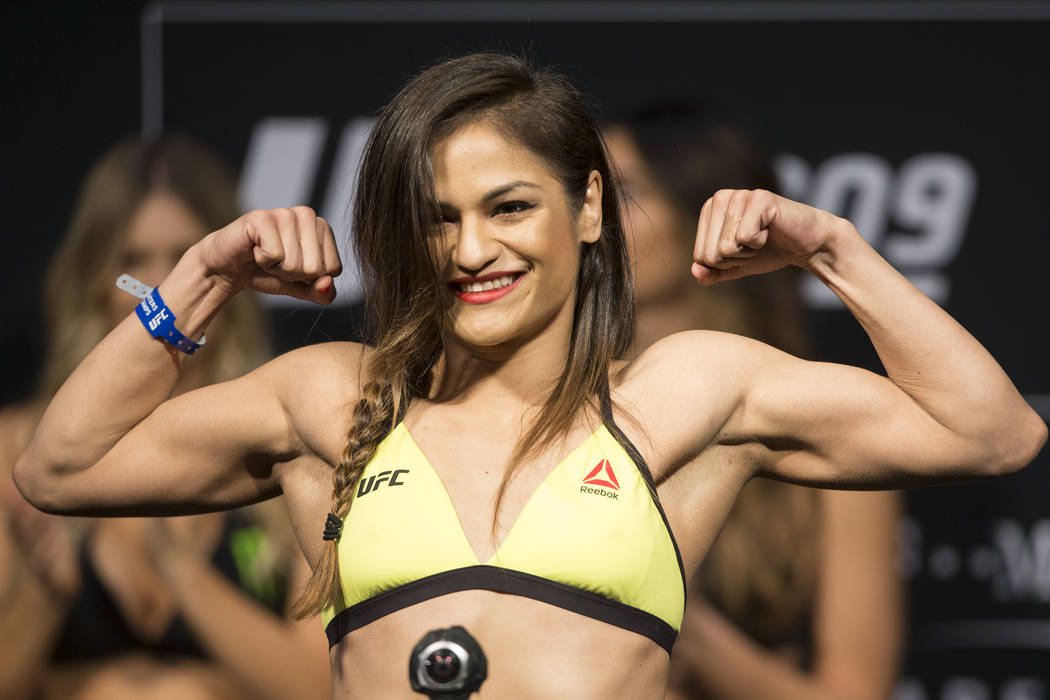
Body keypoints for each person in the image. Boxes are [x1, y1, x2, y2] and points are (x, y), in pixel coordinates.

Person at [12, 53, 1045, 699]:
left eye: (509, 208)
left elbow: (995, 433)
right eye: (438, 216)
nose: (470, 251)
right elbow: (62, 467)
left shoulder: (680, 396)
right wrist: (201, 276)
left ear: (589, 209)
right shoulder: (335, 398)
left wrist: (834, 251)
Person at [0, 135, 330, 699]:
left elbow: (318, 687)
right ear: (91, 278)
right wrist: (44, 595)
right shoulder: (18, 451)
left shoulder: (289, 442)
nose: (156, 285)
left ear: (237, 278)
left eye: (183, 258)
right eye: (130, 261)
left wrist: (183, 575)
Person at [606, 105, 902, 699]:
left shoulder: (819, 417)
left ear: (705, 214)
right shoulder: (546, 397)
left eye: (625, 190)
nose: (589, 214)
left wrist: (674, 626)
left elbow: (855, 691)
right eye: (584, 187)